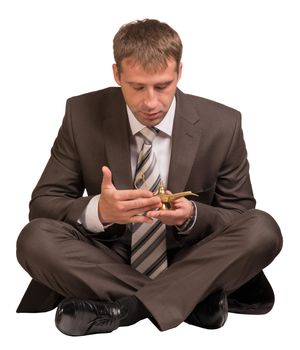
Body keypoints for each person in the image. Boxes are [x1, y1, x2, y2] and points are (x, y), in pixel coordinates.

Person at [16, 19, 283, 336]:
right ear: (117, 75)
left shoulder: (222, 124)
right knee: (34, 238)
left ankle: (123, 309)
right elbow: (44, 204)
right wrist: (99, 211)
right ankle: (192, 302)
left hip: (193, 258)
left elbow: (239, 216)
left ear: (179, 73)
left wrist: (192, 217)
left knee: (263, 228)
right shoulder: (81, 113)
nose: (151, 102)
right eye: (137, 87)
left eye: (163, 86)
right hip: (107, 259)